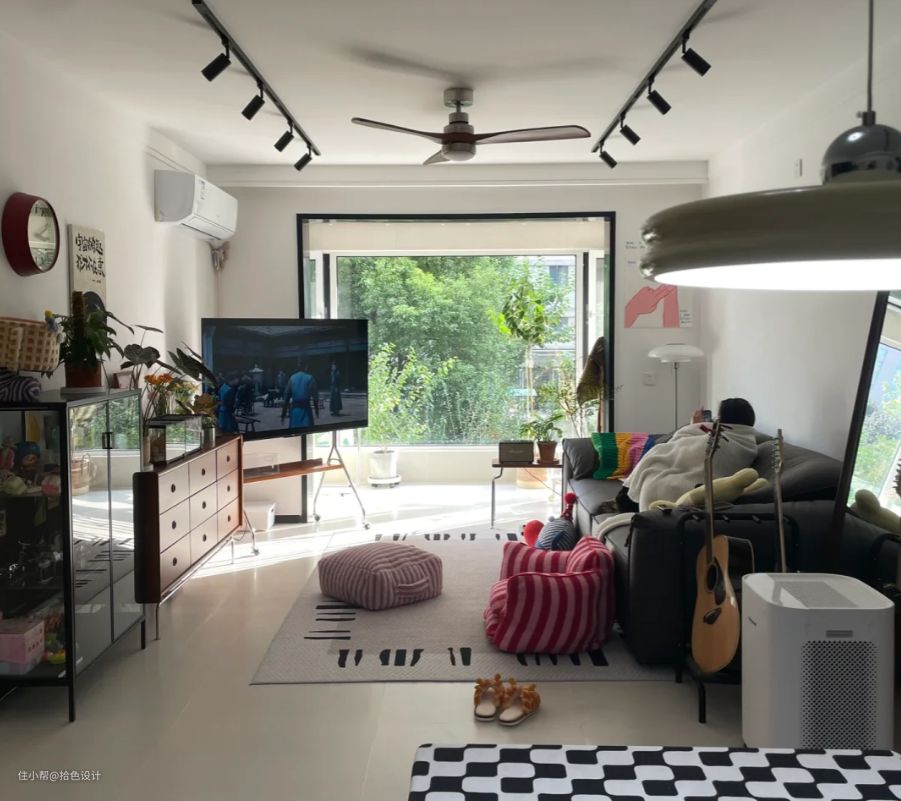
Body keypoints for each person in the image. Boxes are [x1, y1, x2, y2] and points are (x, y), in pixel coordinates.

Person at [612, 398, 759, 513]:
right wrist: (696, 427)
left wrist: (693, 425)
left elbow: (679, 445)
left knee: (654, 461)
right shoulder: (748, 443)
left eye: (718, 416)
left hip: (682, 490)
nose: (715, 419)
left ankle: (623, 504)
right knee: (654, 462)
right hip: (694, 491)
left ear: (722, 418)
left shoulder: (729, 440)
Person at [282, 358, 319, 429]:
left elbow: (286, 398)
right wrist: (317, 411)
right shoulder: (310, 378)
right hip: (306, 411)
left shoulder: (292, 378)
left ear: (298, 366)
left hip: (295, 411)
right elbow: (315, 397)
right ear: (306, 366)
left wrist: (283, 414)